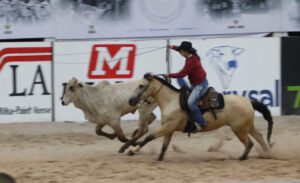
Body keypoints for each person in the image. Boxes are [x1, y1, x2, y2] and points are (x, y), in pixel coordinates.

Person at [163, 41, 209, 131]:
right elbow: (179, 49)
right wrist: (172, 47)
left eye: (181, 51)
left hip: (200, 85)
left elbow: (181, 75)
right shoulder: (192, 56)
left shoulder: (191, 62)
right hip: (197, 83)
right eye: (179, 50)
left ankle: (202, 122)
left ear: (185, 52)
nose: (180, 52)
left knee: (190, 103)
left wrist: (168, 75)